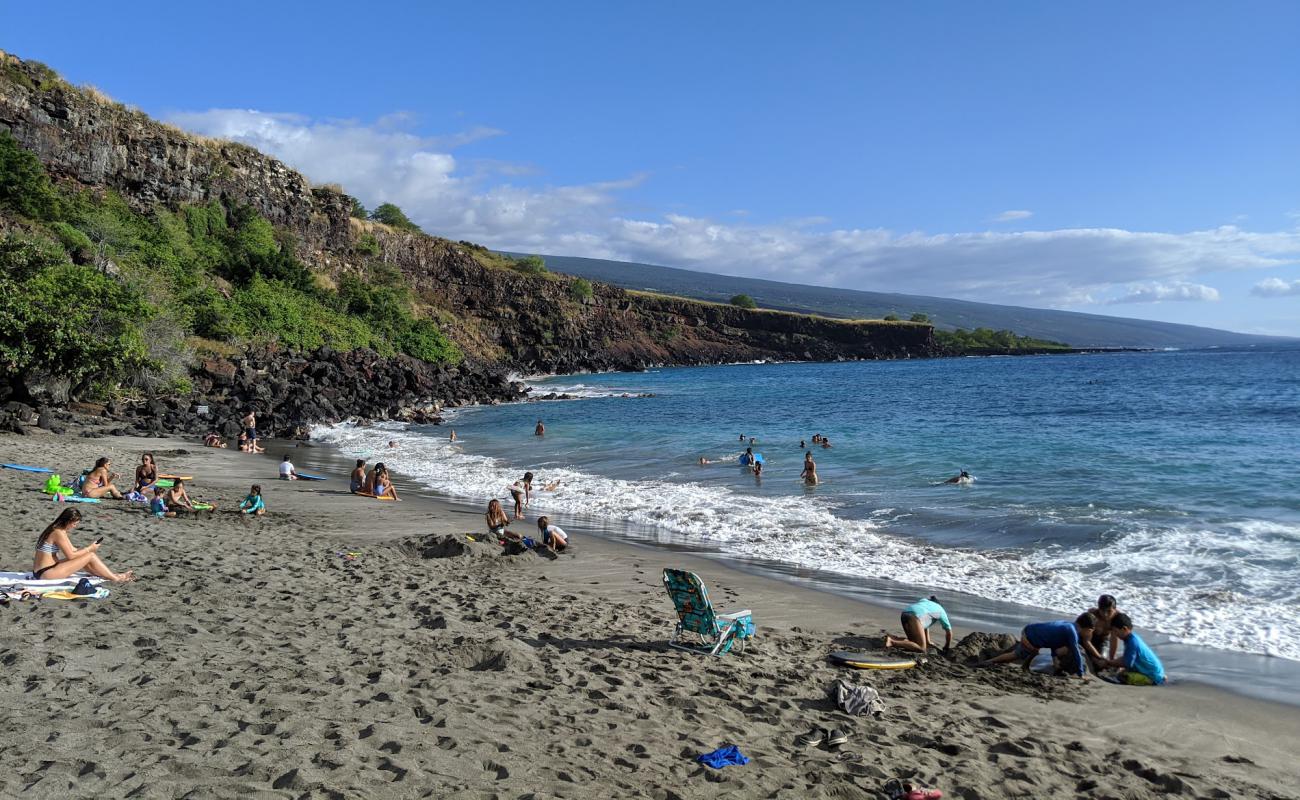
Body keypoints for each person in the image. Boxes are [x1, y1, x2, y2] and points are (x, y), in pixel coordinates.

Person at [30, 508, 135, 582]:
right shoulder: (58, 533)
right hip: (46, 573)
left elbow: (72, 550)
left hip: (43, 570)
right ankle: (116, 579)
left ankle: (110, 575)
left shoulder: (57, 529)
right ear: (68, 521)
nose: (75, 527)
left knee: (85, 557)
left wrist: (87, 551)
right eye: (74, 524)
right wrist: (89, 549)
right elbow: (70, 556)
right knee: (90, 556)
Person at [981, 613, 1096, 678]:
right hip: (1030, 636)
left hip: (1031, 630)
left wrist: (1055, 660)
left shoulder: (1068, 625)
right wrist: (1080, 673)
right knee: (1016, 655)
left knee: (1034, 651)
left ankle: (1025, 667)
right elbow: (1075, 651)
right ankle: (990, 661)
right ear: (1089, 630)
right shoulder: (1072, 633)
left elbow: (1054, 642)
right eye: (1091, 632)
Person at [1099, 613, 1166, 686]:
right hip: (1153, 671)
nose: (1115, 634)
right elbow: (1127, 657)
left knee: (1122, 677)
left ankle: (1156, 680)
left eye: (1116, 631)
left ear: (1124, 629)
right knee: (1119, 669)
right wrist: (1113, 662)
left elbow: (1127, 663)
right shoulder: (1132, 638)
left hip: (1152, 676)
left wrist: (1109, 663)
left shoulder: (1132, 642)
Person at [885, 596, 953, 655]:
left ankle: (893, 638)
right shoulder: (940, 610)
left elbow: (924, 624)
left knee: (913, 642)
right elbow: (949, 632)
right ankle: (892, 642)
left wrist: (928, 641)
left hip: (905, 613)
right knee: (921, 648)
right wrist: (946, 647)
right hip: (914, 617)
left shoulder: (925, 602)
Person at [1088, 594, 1122, 666]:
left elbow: (1114, 639)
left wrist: (1112, 659)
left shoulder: (1117, 618)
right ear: (1099, 609)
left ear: (1114, 609)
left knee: (1102, 662)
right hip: (1089, 639)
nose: (1105, 614)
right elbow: (1083, 634)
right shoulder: (1093, 614)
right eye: (1103, 611)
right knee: (1092, 660)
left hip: (1103, 641)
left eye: (1109, 611)